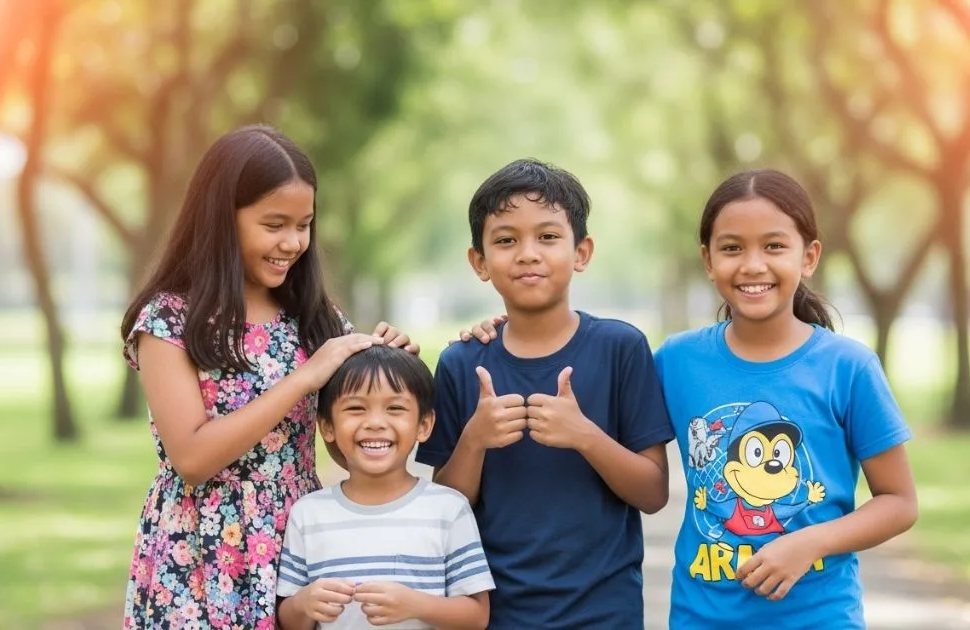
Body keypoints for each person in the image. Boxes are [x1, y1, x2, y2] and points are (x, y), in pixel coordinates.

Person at [119, 124, 418, 629]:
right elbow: (191, 458)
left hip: (299, 543)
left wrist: (386, 375)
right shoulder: (169, 321)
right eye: (274, 224)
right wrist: (304, 379)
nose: (293, 242)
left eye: (304, 225)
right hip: (198, 556)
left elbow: (351, 447)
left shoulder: (315, 318)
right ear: (221, 218)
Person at [416, 158, 676, 629]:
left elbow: (653, 492)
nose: (528, 253)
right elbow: (446, 508)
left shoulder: (620, 348)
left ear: (582, 251)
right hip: (495, 612)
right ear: (479, 261)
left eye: (548, 237)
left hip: (605, 612)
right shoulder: (461, 364)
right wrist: (474, 440)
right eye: (506, 240)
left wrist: (585, 436)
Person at [654, 169, 918, 628]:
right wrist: (496, 335)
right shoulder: (677, 361)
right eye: (732, 247)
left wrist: (810, 542)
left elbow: (899, 502)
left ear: (809, 256)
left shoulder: (848, 368)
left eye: (774, 246)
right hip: (702, 618)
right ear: (708, 259)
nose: (753, 264)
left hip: (819, 618)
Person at [276, 345, 494, 629]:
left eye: (395, 408)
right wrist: (304, 603)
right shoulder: (308, 514)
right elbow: (288, 620)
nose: (375, 423)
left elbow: (477, 616)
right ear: (327, 426)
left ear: (424, 425)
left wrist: (417, 605)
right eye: (356, 408)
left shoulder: (449, 509)